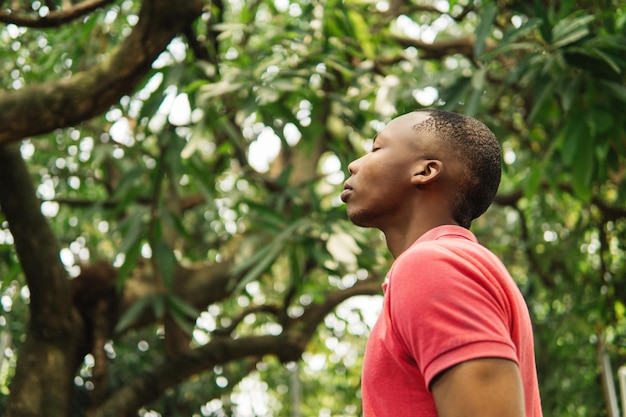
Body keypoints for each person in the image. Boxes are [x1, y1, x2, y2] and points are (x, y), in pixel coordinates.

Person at [340, 109, 542, 417]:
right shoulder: (447, 263)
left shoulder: (433, 265)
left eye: (377, 149)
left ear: (425, 170)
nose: (354, 164)